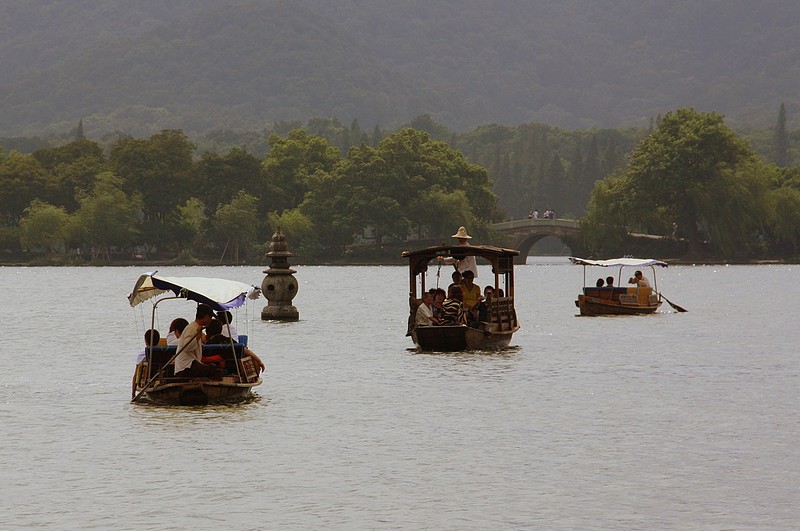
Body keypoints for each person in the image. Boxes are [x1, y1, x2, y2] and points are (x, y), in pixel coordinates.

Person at [174, 304, 222, 379]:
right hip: (186, 367)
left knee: (212, 368)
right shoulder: (192, 328)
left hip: (190, 365)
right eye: (210, 317)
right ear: (206, 317)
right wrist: (197, 336)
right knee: (215, 370)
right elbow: (187, 347)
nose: (210, 320)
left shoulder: (195, 327)